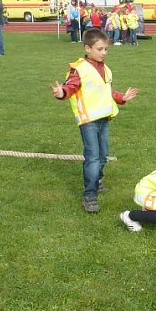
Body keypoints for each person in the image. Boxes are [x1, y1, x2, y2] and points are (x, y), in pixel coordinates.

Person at [51, 28, 139, 213]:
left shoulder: (105, 69)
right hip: (89, 120)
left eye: (106, 49)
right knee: (92, 157)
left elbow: (106, 92)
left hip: (103, 118)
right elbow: (71, 87)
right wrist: (62, 93)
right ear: (88, 48)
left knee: (103, 154)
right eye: (100, 49)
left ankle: (97, 181)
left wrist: (122, 97)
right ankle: (90, 196)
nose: (104, 52)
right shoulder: (79, 68)